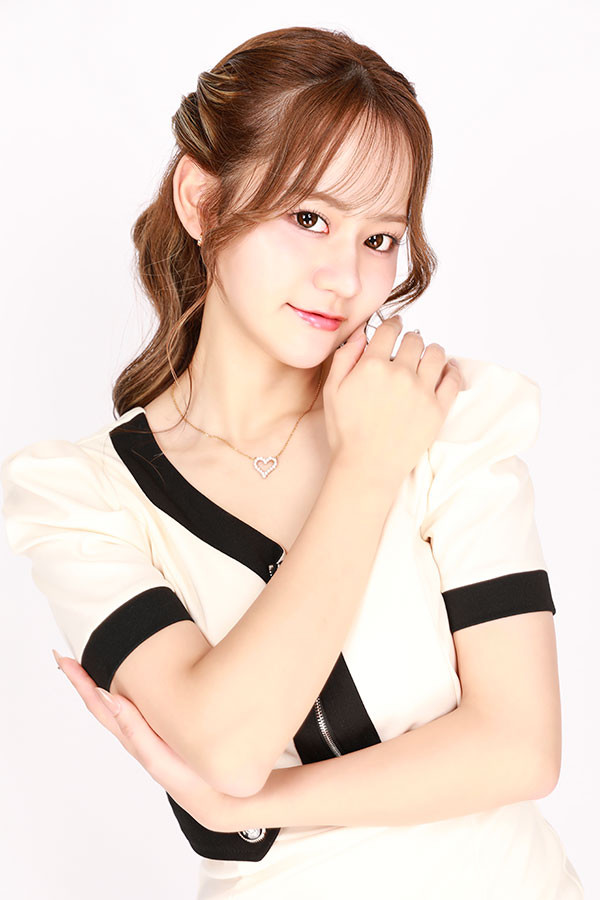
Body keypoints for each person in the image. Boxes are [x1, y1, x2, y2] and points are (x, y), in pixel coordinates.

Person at [0, 24, 584, 899]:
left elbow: (521, 747)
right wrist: (365, 471)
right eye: (309, 218)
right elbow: (225, 743)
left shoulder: (446, 417)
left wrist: (257, 806)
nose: (345, 278)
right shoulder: (83, 498)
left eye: (380, 239)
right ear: (202, 200)